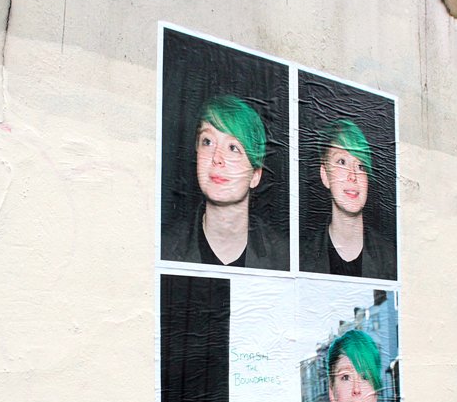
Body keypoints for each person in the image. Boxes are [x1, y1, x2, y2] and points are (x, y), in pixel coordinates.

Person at [163, 95, 286, 270]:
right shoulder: (164, 248)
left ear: (255, 175)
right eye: (207, 142)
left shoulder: (284, 258)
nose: (217, 158)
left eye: (233, 148)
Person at [301, 119, 395, 280]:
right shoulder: (301, 258)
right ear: (325, 175)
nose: (353, 176)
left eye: (361, 166)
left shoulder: (391, 259)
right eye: (342, 162)